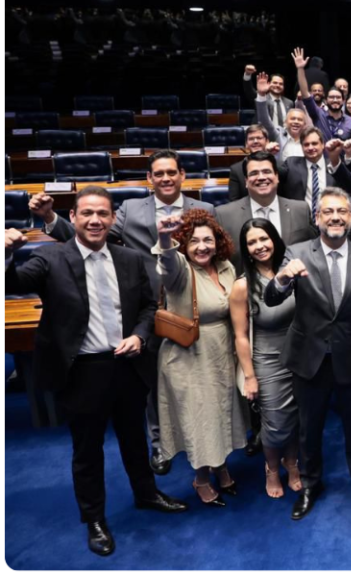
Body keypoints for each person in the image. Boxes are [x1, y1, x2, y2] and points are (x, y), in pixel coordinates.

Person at [4, 188, 188, 558]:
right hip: (82, 370)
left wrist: (139, 335)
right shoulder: (50, 257)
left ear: (112, 218)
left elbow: (150, 307)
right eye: (87, 213)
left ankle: (146, 493)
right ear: (73, 218)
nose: (95, 220)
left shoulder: (131, 259)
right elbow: (13, 284)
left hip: (127, 365)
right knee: (87, 451)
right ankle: (95, 519)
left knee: (134, 438)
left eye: (102, 213)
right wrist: (6, 252)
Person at [32, 150, 217, 476]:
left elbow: (218, 252)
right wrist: (50, 219)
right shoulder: (130, 210)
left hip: (191, 307)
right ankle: (161, 445)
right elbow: (86, 236)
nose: (165, 178)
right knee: (152, 383)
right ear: (149, 178)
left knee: (196, 379)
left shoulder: (204, 210)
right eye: (158, 173)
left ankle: (199, 440)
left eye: (171, 172)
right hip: (145, 309)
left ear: (183, 175)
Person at [264, 188, 351, 519]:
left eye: (341, 211)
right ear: (316, 218)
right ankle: (309, 485)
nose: (335, 217)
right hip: (309, 359)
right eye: (327, 211)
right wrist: (280, 278)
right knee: (309, 428)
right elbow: (272, 299)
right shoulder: (297, 252)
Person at [153, 210, 247, 508]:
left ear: (218, 242)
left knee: (220, 413)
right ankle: (202, 479)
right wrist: (165, 237)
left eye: (208, 239)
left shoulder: (226, 267)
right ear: (184, 243)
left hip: (221, 351)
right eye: (193, 241)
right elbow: (167, 263)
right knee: (200, 419)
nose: (202, 246)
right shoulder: (180, 269)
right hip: (188, 356)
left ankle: (220, 467)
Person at [228, 219, 302, 500]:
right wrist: (249, 376)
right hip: (267, 361)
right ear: (245, 249)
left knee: (297, 417)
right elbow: (241, 336)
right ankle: (271, 468)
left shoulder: (291, 270)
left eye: (264, 239)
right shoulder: (242, 286)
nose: (260, 246)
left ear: (275, 239)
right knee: (275, 422)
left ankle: (292, 463)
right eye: (252, 242)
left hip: (299, 356)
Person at [216, 152, 319, 271]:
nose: (261, 177)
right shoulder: (224, 215)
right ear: (246, 181)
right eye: (254, 173)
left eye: (267, 171)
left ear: (277, 177)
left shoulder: (301, 210)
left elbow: (313, 251)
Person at [228, 125, 281, 202]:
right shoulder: (236, 169)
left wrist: (269, 155)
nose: (255, 141)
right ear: (246, 144)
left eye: (259, 138)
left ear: (267, 141)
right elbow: (234, 201)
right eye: (251, 139)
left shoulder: (278, 165)